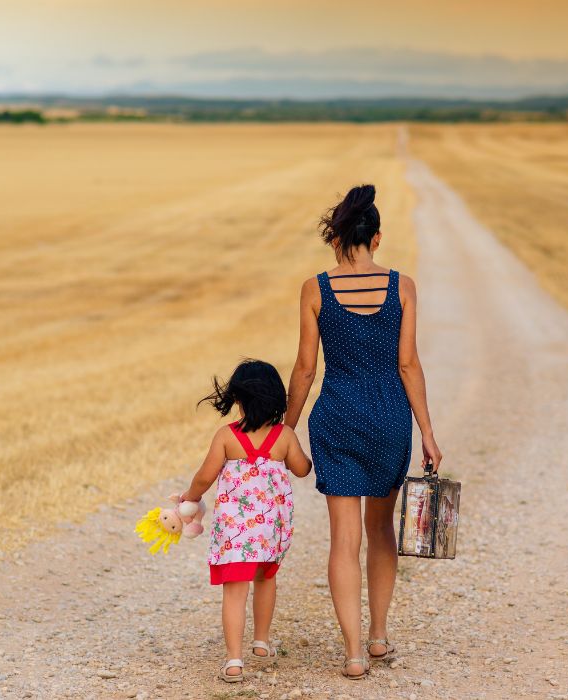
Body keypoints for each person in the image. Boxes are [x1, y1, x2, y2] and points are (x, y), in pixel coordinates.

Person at [285, 184, 442, 679]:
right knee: (380, 531)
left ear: (335, 239)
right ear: (376, 238)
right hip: (388, 420)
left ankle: (352, 654)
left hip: (335, 416)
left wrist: (285, 431)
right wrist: (428, 433)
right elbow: (408, 363)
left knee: (342, 541)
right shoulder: (403, 287)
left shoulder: (316, 289)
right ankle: (377, 636)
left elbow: (305, 370)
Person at [180, 359, 313, 683]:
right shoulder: (284, 437)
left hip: (235, 534)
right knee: (266, 580)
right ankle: (261, 642)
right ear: (277, 399)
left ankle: (234, 660)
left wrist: (190, 497)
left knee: (234, 591)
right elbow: (301, 469)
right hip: (269, 532)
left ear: (237, 399)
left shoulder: (227, 436)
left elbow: (205, 476)